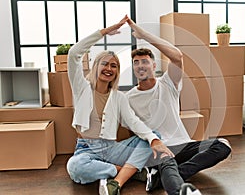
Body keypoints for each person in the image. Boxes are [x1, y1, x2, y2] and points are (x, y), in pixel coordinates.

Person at [66, 15, 174, 195]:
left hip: (112, 149)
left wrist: (154, 140)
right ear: (96, 66)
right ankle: (128, 172)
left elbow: (133, 122)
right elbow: (74, 53)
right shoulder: (81, 87)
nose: (109, 68)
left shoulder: (119, 97)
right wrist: (105, 32)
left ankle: (116, 181)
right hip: (86, 149)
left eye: (114, 66)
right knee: (75, 168)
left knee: (152, 135)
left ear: (117, 72)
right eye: (105, 64)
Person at [124, 18, 232, 195]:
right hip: (157, 149)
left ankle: (166, 176)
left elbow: (177, 56)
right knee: (166, 159)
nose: (140, 65)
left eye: (144, 61)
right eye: (136, 63)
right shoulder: (128, 98)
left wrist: (143, 35)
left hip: (183, 145)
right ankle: (179, 189)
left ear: (154, 65)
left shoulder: (168, 83)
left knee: (223, 145)